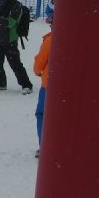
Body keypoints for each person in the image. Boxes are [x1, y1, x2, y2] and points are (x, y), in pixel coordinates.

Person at [33, 9, 54, 158]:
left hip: (48, 84)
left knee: (42, 114)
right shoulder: (75, 39)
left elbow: (40, 62)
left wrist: (37, 71)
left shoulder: (50, 40)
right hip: (67, 87)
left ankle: (45, 146)